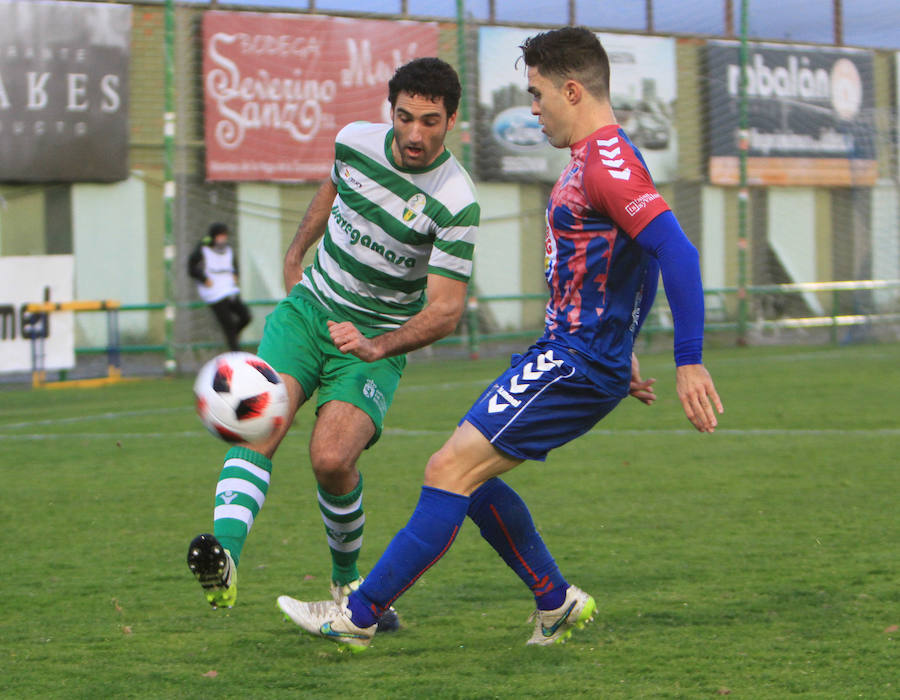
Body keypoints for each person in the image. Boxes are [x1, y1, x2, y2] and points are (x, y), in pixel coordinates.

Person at [276, 26, 724, 652]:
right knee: (473, 476)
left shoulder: (607, 165)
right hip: (576, 355)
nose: (533, 110)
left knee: (447, 469)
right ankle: (554, 600)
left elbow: (674, 251)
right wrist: (622, 349)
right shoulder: (602, 158)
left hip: (574, 363)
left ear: (572, 90)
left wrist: (688, 360)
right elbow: (628, 260)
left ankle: (360, 615)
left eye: (538, 95)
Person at [186, 57, 480, 633]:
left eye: (430, 121)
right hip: (308, 312)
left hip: (372, 339)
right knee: (262, 418)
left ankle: (347, 584)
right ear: (388, 111)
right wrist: (296, 255)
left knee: (331, 459)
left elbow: (446, 311)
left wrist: (378, 346)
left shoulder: (455, 200)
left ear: (452, 120)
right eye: (404, 117)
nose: (415, 134)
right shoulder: (354, 142)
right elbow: (332, 188)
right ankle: (225, 557)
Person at [187, 222, 252, 352]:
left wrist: (235, 275)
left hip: (228, 289)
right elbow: (191, 268)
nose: (223, 239)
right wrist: (204, 279)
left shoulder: (228, 250)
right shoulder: (203, 250)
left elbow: (234, 266)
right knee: (228, 324)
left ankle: (235, 337)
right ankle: (235, 352)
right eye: (220, 236)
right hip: (214, 293)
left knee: (245, 316)